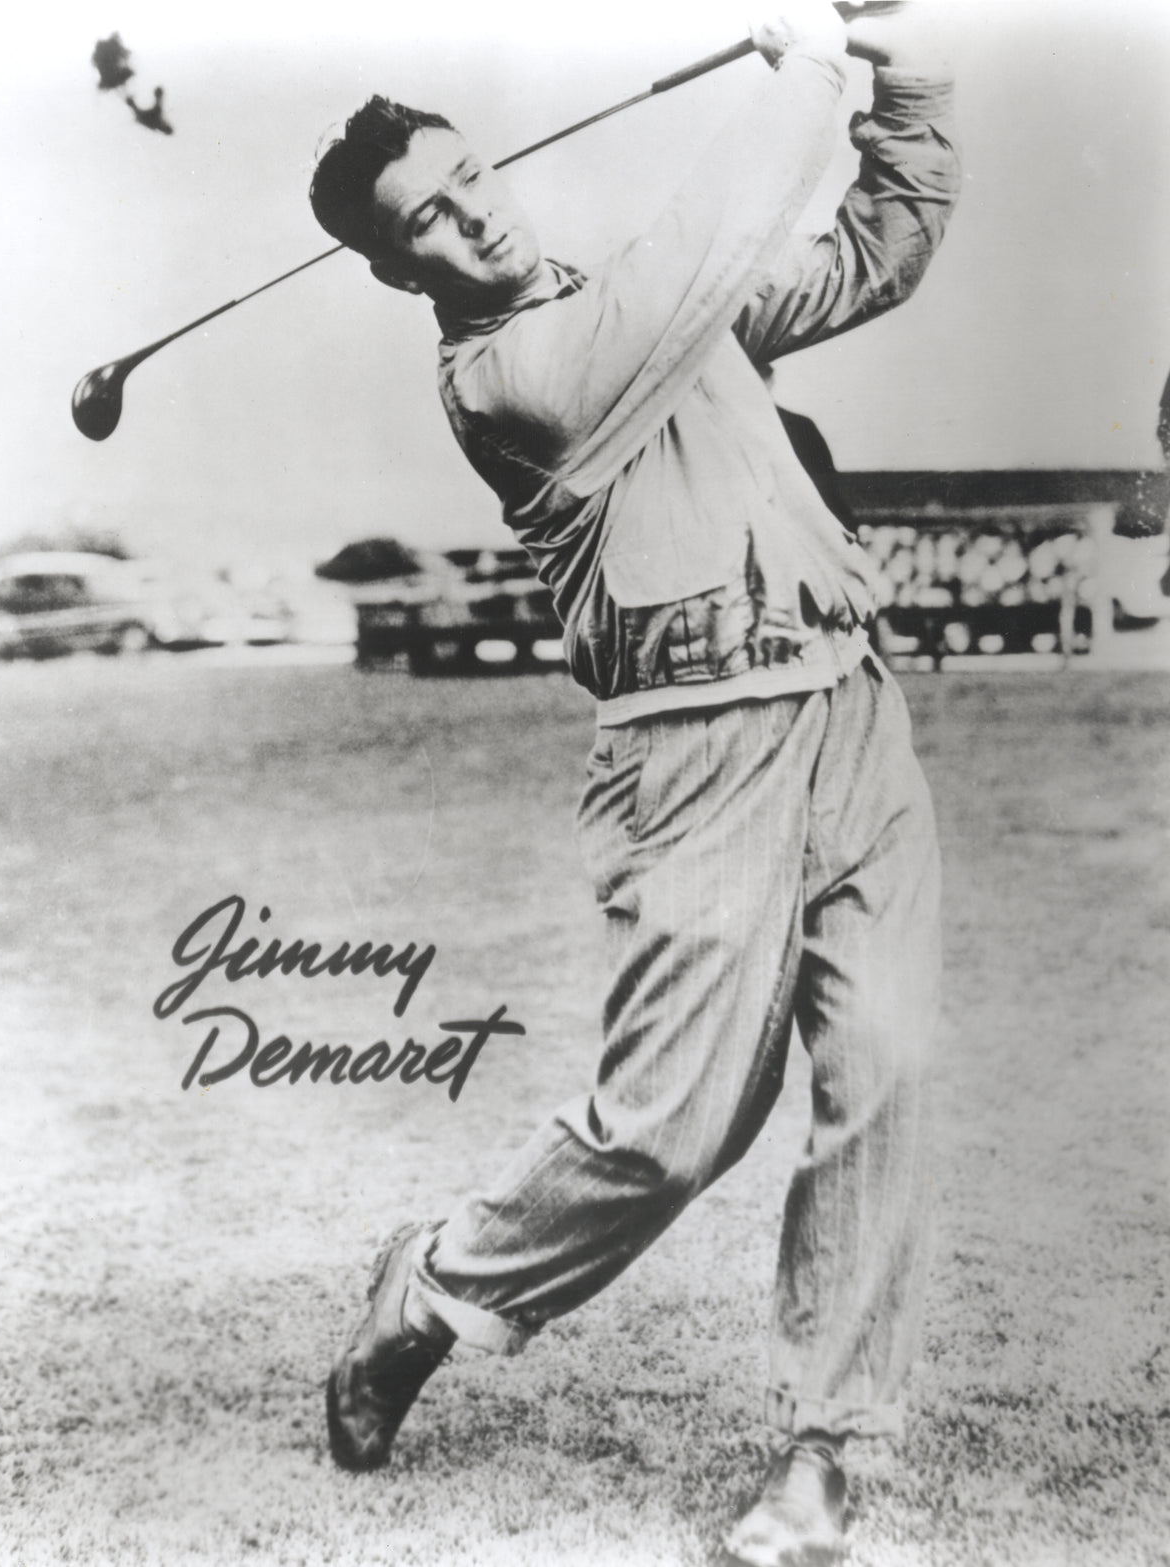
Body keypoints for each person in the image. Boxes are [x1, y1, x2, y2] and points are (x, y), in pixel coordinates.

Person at [309, 3, 959, 1561]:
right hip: (696, 751)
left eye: (471, 175)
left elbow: (880, 249)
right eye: (429, 220)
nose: (474, 215)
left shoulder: (640, 310)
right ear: (403, 274)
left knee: (887, 1072)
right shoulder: (514, 378)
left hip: (849, 707)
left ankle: (826, 1456)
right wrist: (805, 67)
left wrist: (903, 65)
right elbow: (705, 246)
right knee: (673, 1129)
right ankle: (440, 1286)